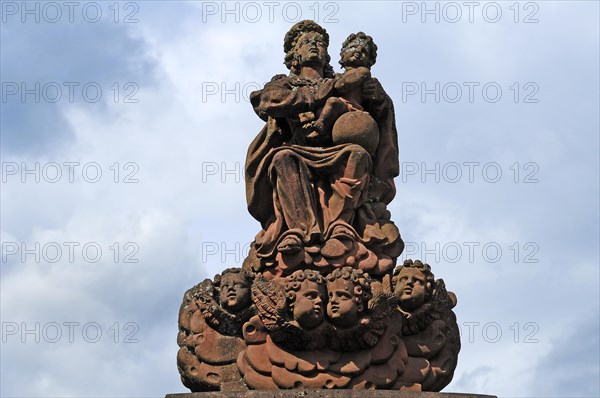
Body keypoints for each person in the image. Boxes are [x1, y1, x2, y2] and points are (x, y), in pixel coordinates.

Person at [245, 20, 402, 277]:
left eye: (320, 43)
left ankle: (341, 228)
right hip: (298, 150)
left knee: (358, 156)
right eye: (306, 42)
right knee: (283, 158)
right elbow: (268, 101)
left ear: (329, 53)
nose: (314, 46)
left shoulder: (346, 81)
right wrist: (323, 92)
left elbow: (373, 114)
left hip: (336, 151)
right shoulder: (283, 84)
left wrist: (380, 100)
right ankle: (299, 233)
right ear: (294, 55)